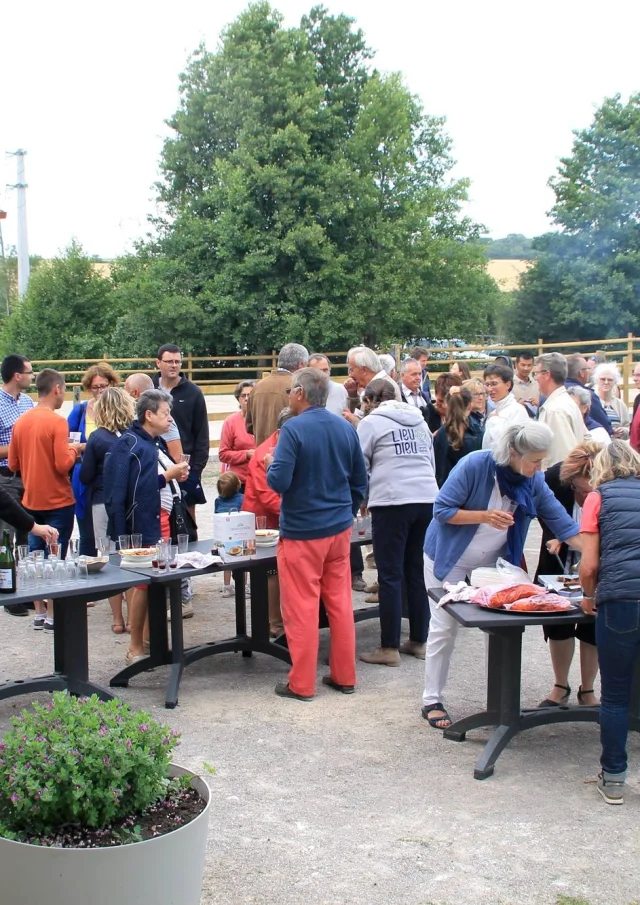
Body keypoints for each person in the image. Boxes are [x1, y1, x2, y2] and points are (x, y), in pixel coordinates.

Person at [421, 422, 582, 729]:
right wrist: (483, 515)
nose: (539, 468)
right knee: (444, 626)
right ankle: (432, 699)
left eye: (542, 461)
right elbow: (441, 510)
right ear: (513, 452)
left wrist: (597, 552)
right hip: (449, 556)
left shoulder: (531, 481)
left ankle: (497, 703)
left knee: (497, 628)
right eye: (534, 461)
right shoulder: (475, 465)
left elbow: (563, 524)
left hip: (494, 563)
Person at [266, 367, 367, 701]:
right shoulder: (345, 427)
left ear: (299, 393)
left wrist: (270, 465)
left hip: (302, 532)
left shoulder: (293, 430)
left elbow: (278, 482)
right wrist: (346, 511)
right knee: (339, 603)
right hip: (339, 530)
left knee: (301, 607)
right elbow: (360, 480)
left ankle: (302, 683)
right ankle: (344, 675)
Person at [356, 379, 438, 665]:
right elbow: (430, 459)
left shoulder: (370, 423)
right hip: (426, 497)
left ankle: (388, 647)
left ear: (369, 400)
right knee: (416, 571)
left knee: (389, 575)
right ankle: (419, 640)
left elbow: (360, 465)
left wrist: (364, 498)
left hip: (392, 500)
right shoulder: (418, 420)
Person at [104, 389, 189, 664]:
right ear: (149, 414)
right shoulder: (131, 444)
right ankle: (135, 646)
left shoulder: (153, 442)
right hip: (143, 525)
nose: (170, 419)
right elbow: (129, 492)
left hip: (161, 522)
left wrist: (176, 476)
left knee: (157, 585)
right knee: (142, 585)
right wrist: (168, 476)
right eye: (166, 413)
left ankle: (154, 642)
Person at [579, 441, 640, 805]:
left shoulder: (596, 499)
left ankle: (614, 778)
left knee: (614, 695)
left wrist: (588, 596)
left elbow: (588, 566)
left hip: (619, 602)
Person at [9, 369, 85, 632]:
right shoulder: (57, 422)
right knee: (57, 554)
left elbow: (12, 463)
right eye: (63, 390)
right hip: (58, 499)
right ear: (56, 389)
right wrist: (74, 449)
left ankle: (39, 610)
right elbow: (62, 464)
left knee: (34, 555)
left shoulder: (21, 422)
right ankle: (54, 612)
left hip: (31, 499)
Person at [534, 443, 602, 708]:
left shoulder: (609, 487)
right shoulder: (554, 478)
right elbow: (544, 511)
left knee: (592, 623)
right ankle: (560, 685)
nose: (584, 496)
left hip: (594, 563)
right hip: (558, 564)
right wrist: (556, 537)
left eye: (590, 490)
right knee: (558, 623)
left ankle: (588, 689)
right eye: (578, 489)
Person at [80, 387, 136, 634]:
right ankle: (135, 617)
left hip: (102, 500)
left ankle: (117, 619)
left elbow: (85, 475)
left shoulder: (97, 438)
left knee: (109, 555)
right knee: (131, 555)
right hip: (129, 502)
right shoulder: (134, 436)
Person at [242, 407, 295, 636]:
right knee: (271, 571)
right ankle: (273, 622)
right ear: (283, 431)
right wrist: (298, 513)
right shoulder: (265, 452)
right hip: (263, 521)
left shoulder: (286, 445)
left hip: (283, 517)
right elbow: (267, 495)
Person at [68, 362, 120, 556]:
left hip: (110, 474)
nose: (99, 391)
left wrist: (90, 445)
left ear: (111, 384)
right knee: (87, 532)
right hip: (84, 473)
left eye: (103, 386)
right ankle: (87, 577)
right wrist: (85, 446)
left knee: (111, 533)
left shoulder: (118, 409)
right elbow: (68, 441)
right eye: (95, 387)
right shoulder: (80, 411)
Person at [152, 344, 209, 522]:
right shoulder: (149, 389)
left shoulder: (193, 392)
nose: (174, 365)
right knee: (160, 521)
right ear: (158, 363)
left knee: (187, 523)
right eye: (169, 361)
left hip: (185, 467)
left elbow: (202, 435)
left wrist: (195, 471)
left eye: (177, 361)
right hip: (155, 466)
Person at [0, 353, 35, 616]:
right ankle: (8, 593)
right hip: (6, 476)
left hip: (29, 474)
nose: (32, 377)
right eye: (29, 372)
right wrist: (17, 448)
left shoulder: (28, 402)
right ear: (17, 375)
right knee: (6, 536)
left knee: (26, 534)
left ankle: (24, 591)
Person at [246, 343, 309, 445]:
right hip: (287, 453)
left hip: (261, 454)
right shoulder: (299, 389)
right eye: (307, 365)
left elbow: (249, 427)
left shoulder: (257, 387)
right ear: (300, 365)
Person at [536, 352, 586, 469]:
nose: (535, 377)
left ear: (547, 374)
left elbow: (562, 459)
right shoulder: (567, 402)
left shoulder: (555, 410)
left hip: (556, 483)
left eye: (537, 373)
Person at [124, 373, 183, 462]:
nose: (125, 398)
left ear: (135, 393)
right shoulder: (132, 414)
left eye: (126, 393)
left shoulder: (162, 418)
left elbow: (176, 457)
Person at [433, 386, 484, 486]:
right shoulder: (475, 433)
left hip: (443, 489)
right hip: (466, 491)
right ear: (470, 405)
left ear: (447, 404)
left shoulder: (441, 432)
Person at [481, 362, 529, 451]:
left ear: (508, 385)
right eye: (487, 385)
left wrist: (495, 420)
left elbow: (509, 444)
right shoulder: (494, 411)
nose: (490, 389)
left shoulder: (517, 411)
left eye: (494, 383)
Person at [218, 380, 256, 488]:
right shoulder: (231, 422)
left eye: (250, 395)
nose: (247, 398)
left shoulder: (264, 420)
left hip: (260, 480)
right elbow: (223, 454)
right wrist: (246, 454)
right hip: (238, 483)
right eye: (243, 396)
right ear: (238, 399)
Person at [565, 353, 612, 436]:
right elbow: (605, 425)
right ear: (581, 373)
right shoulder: (588, 395)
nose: (589, 372)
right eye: (587, 368)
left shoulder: (552, 393)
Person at [215, 471, 245, 599]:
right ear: (238, 486)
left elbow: (216, 515)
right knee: (243, 561)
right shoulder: (242, 498)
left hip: (223, 535)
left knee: (225, 561)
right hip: (239, 534)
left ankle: (226, 586)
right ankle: (244, 586)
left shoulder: (218, 501)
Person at [344, 346, 402, 413]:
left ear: (364, 370)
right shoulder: (378, 384)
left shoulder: (385, 387)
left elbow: (375, 421)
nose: (350, 375)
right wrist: (353, 395)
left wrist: (353, 420)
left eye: (351, 370)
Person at [592, 363, 630, 437]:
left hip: (618, 445)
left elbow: (628, 427)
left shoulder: (620, 404)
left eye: (610, 380)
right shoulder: (592, 402)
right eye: (603, 379)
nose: (606, 382)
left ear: (615, 382)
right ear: (597, 380)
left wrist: (623, 431)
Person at [511, 351, 540, 415]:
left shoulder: (537, 384)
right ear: (516, 365)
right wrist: (517, 406)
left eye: (529, 365)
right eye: (523, 365)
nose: (526, 368)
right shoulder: (508, 385)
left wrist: (538, 404)